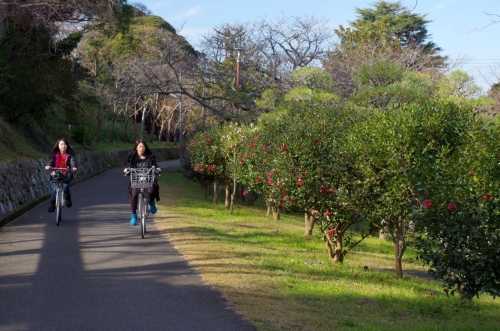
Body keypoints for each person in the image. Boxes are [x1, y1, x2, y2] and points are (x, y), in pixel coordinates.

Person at [124, 139, 161, 226]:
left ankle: (151, 202)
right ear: (136, 148)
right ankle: (134, 216)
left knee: (150, 191)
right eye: (140, 147)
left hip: (148, 179)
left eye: (143, 147)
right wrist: (126, 170)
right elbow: (128, 166)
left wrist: (157, 169)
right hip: (136, 180)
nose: (142, 148)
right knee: (134, 194)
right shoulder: (132, 158)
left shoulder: (150, 157)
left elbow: (155, 165)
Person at [45, 138, 78, 212]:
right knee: (54, 189)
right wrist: (48, 166)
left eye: (65, 144)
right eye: (61, 144)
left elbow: (73, 162)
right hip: (56, 174)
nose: (63, 146)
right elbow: (50, 161)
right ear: (58, 146)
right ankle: (52, 205)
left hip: (66, 174)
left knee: (66, 187)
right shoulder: (55, 154)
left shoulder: (70, 154)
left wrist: (74, 167)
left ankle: (68, 198)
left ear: (67, 146)